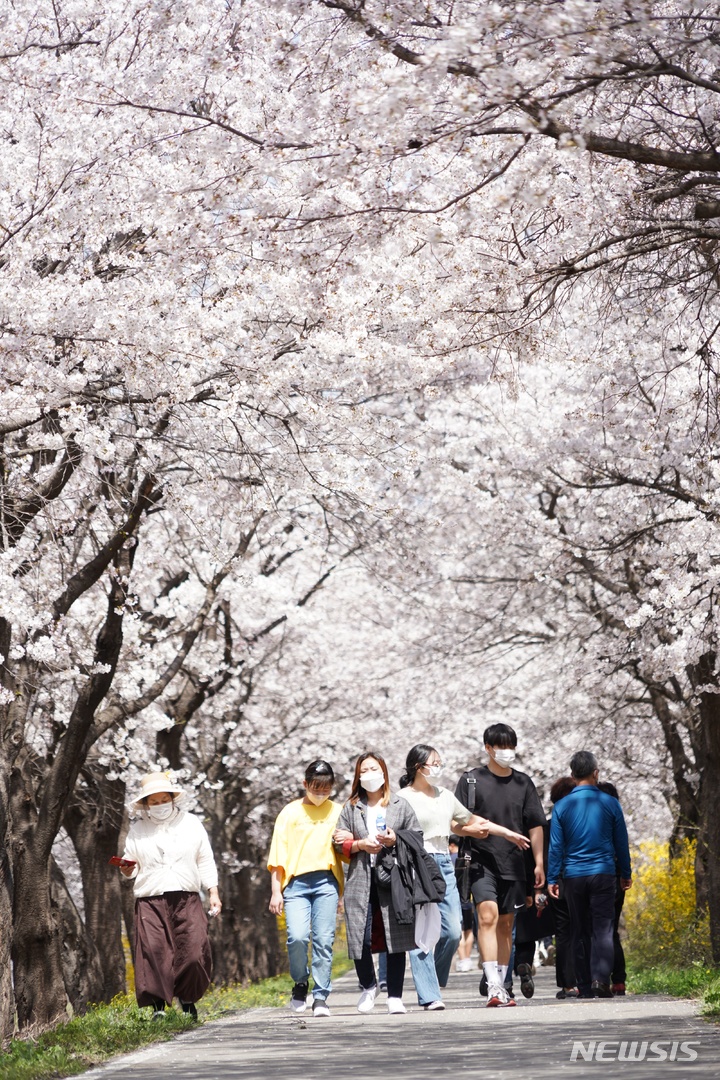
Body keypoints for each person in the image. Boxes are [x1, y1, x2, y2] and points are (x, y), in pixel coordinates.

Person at [398, 743, 529, 1009]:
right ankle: (430, 994)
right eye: (433, 763)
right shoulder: (402, 798)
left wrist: (507, 833)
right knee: (421, 931)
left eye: (439, 762)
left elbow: (469, 821)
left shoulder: (445, 795)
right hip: (415, 863)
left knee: (453, 931)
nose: (438, 767)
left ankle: (432, 978)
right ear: (417, 767)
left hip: (443, 862)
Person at [455, 723, 546, 1008]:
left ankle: (504, 985)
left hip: (515, 863)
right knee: (487, 917)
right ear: (488, 748)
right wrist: (472, 832)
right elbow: (457, 822)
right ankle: (493, 985)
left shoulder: (523, 783)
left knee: (506, 924)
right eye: (500, 746)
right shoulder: (471, 781)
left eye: (510, 746)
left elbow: (535, 825)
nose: (507, 752)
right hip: (481, 861)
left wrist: (539, 862)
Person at [118, 771, 221, 1021]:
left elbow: (205, 858)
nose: (160, 805)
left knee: (195, 949)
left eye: (164, 799)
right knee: (154, 951)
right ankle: (158, 1009)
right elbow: (131, 865)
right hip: (150, 898)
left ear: (173, 799)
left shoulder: (191, 823)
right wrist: (128, 869)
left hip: (187, 896)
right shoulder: (138, 830)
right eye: (154, 801)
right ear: (145, 805)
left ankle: (187, 999)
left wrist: (213, 891)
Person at [333, 751, 422, 1015]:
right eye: (363, 771)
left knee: (396, 934)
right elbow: (338, 845)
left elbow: (416, 835)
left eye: (374, 769)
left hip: (392, 878)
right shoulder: (350, 808)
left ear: (383, 771)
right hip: (361, 877)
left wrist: (395, 838)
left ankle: (395, 995)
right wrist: (359, 844)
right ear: (357, 777)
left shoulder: (399, 804)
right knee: (360, 934)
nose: (369, 775)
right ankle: (368, 986)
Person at [548, 751, 632, 998]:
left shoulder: (561, 807)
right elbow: (621, 843)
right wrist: (625, 872)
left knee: (579, 930)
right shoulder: (610, 803)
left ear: (573, 776)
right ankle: (601, 980)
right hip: (604, 873)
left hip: (573, 875)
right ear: (596, 773)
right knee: (604, 929)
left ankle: (584, 986)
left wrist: (553, 878)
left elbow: (556, 847)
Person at [267, 760, 345, 1018]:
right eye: (316, 787)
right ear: (305, 784)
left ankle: (321, 996)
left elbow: (347, 852)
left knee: (324, 941)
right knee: (297, 937)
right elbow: (278, 854)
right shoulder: (290, 812)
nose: (321, 792)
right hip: (296, 885)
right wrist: (276, 891)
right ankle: (300, 982)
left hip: (326, 883)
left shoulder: (338, 811)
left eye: (326, 788)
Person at [546, 776, 579, 998]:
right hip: (580, 875)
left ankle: (567, 984)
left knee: (563, 933)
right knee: (583, 930)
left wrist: (550, 879)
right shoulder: (581, 820)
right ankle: (589, 979)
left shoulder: (547, 825)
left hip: (559, 880)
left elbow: (550, 852)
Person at [598, 780, 628, 995]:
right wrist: (626, 874)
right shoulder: (615, 817)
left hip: (602, 877)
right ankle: (619, 980)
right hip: (617, 876)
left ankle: (601, 978)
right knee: (612, 930)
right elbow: (623, 845)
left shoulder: (597, 820)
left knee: (598, 930)